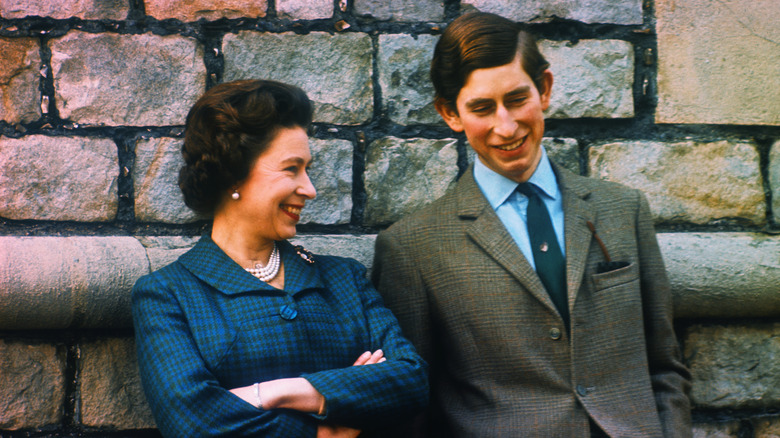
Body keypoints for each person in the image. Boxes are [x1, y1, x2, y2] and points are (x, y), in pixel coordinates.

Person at [372, 12, 692, 437]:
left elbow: (664, 366)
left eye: (517, 99)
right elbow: (409, 407)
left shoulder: (623, 209)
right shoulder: (412, 248)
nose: (506, 126)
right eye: (482, 108)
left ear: (544, 89)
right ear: (450, 113)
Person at [132, 79, 428, 437]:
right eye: (291, 169)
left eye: (308, 169)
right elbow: (194, 423)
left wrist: (277, 393)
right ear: (233, 173)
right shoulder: (167, 294)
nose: (310, 189)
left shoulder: (344, 278)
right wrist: (326, 429)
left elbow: (411, 380)